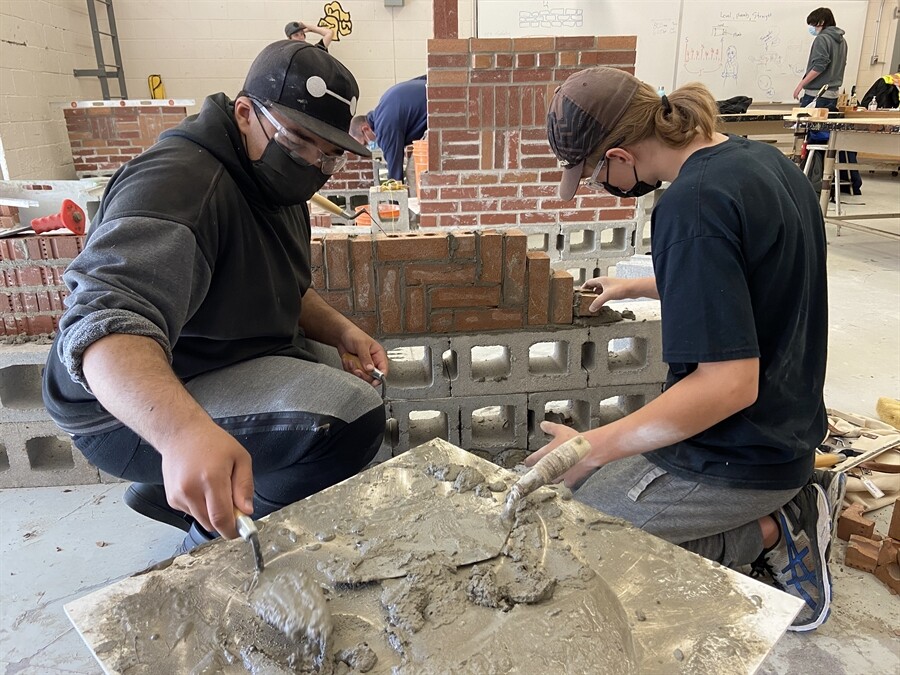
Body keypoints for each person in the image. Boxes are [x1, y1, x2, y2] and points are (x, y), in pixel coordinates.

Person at [42, 41, 387, 553]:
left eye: (330, 154)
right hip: (120, 406)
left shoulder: (270, 177)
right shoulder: (181, 185)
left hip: (201, 361)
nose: (315, 163)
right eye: (300, 142)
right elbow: (104, 327)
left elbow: (276, 283)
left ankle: (172, 492)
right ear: (246, 113)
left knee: (326, 371)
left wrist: (342, 330)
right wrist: (182, 435)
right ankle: (211, 545)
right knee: (349, 417)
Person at [540, 66, 843, 632]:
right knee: (596, 485)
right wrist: (632, 285)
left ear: (621, 157)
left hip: (743, 453)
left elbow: (728, 385)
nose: (598, 186)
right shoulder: (764, 162)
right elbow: (742, 276)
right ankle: (777, 506)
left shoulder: (690, 206)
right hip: (789, 425)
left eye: (592, 174)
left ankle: (782, 526)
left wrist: (595, 444)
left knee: (578, 535)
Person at [793, 7, 862, 194]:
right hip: (832, 94)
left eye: (812, 24)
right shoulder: (842, 41)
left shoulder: (822, 39)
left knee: (811, 139)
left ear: (821, 22)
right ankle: (825, 182)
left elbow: (820, 65)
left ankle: (812, 182)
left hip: (817, 95)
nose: (812, 28)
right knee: (825, 141)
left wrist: (801, 84)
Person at [349, 76, 427, 181]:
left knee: (412, 172)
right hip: (437, 96)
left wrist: (393, 190)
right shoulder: (384, 104)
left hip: (438, 114)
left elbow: (394, 167)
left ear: (365, 129)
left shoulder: (384, 127)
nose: (369, 145)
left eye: (365, 143)